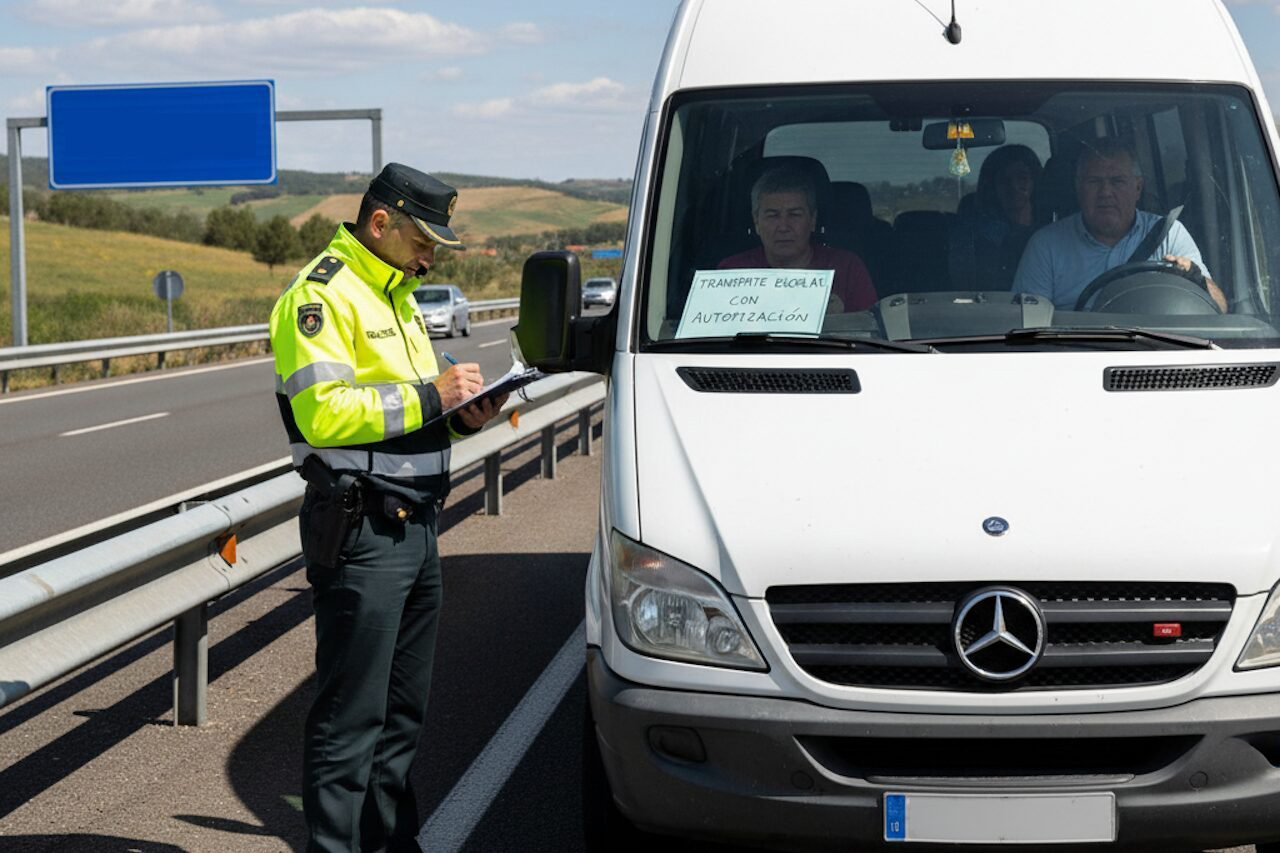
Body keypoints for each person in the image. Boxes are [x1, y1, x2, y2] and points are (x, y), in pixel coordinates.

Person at [269, 163, 508, 853]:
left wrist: (463, 417)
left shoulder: (396, 294)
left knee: (402, 715)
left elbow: (399, 415)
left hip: (415, 526)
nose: (432, 255)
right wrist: (436, 395)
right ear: (381, 223)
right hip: (363, 530)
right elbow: (325, 415)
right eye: (424, 239)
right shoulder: (323, 296)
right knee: (352, 718)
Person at [1012, 138, 1227, 312]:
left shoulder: (1170, 234)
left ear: (1138, 188)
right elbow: (1024, 324)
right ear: (1078, 188)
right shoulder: (1046, 245)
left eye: (1117, 181)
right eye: (1094, 182)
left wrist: (1196, 280)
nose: (1105, 192)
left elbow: (1219, 308)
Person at [719, 163, 878, 311]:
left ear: (812, 220)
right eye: (772, 216)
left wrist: (841, 320)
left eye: (794, 215)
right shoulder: (731, 272)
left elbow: (870, 334)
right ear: (756, 222)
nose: (783, 227)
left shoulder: (846, 268)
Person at [949, 143, 1042, 290]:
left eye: (1022, 178)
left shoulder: (1053, 231)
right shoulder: (976, 236)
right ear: (992, 187)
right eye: (1005, 180)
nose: (1014, 186)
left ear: (1035, 181)